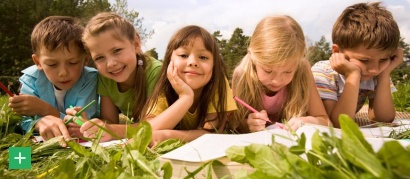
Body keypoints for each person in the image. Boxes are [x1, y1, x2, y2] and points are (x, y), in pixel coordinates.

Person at [65, 12, 162, 142]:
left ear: (136, 45)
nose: (111, 64)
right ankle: (26, 160)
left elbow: (156, 124)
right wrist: (89, 126)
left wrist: (111, 130)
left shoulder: (156, 72)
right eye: (100, 58)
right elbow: (110, 120)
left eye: (117, 51)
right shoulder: (105, 77)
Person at [141, 25, 237, 145]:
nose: (192, 62)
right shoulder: (164, 90)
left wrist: (168, 135)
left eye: (203, 57)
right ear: (169, 60)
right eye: (183, 55)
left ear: (214, 65)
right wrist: (186, 98)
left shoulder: (218, 84)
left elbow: (212, 132)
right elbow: (145, 132)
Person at [232, 15, 330, 133]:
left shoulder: (302, 69)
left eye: (288, 72)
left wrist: (308, 121)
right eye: (268, 71)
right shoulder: (241, 74)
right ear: (253, 57)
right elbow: (233, 123)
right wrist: (248, 125)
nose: (277, 81)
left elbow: (326, 122)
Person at [8, 16, 99, 142]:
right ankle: (19, 163)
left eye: (72, 62)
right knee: (18, 159)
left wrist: (44, 110)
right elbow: (22, 121)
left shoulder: (90, 78)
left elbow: (80, 124)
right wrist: (38, 123)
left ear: (85, 60)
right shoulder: (30, 80)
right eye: (52, 64)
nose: (63, 73)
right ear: (37, 62)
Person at [311, 2, 403, 127]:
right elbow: (336, 124)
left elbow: (383, 119)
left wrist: (385, 74)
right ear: (337, 52)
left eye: (383, 59)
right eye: (364, 60)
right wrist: (353, 75)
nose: (374, 70)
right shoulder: (323, 73)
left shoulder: (378, 72)